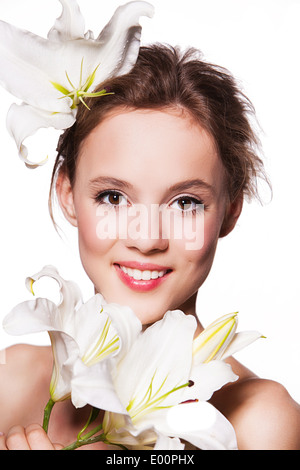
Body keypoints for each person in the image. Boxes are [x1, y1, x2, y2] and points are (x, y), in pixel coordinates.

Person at [1, 44, 300, 451]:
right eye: (112, 197)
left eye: (185, 203)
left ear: (230, 212)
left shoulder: (258, 421)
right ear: (67, 194)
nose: (147, 239)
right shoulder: (11, 384)